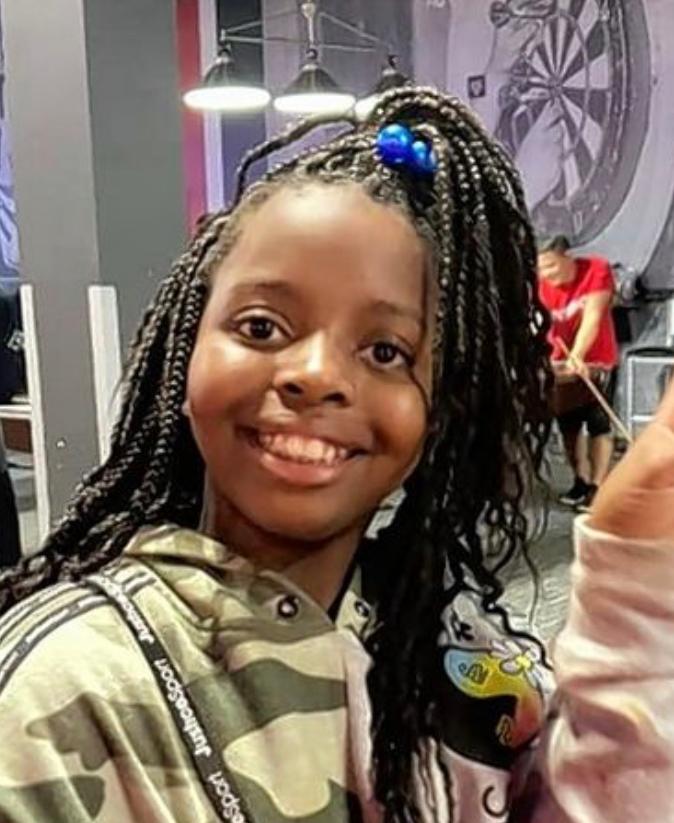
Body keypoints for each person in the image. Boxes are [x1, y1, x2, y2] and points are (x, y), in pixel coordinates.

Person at [0, 87, 671, 822]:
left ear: (437, 410)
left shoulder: (462, 667)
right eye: (261, 326)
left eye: (386, 351)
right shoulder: (63, 692)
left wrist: (629, 603)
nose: (317, 375)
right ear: (183, 353)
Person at [537, 234, 619, 512]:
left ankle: (598, 487)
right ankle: (581, 481)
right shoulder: (539, 285)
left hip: (597, 360)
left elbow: (592, 318)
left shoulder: (596, 270)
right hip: (560, 364)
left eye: (551, 266)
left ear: (567, 257)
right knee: (569, 426)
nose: (546, 274)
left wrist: (578, 355)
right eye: (541, 268)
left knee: (599, 423)